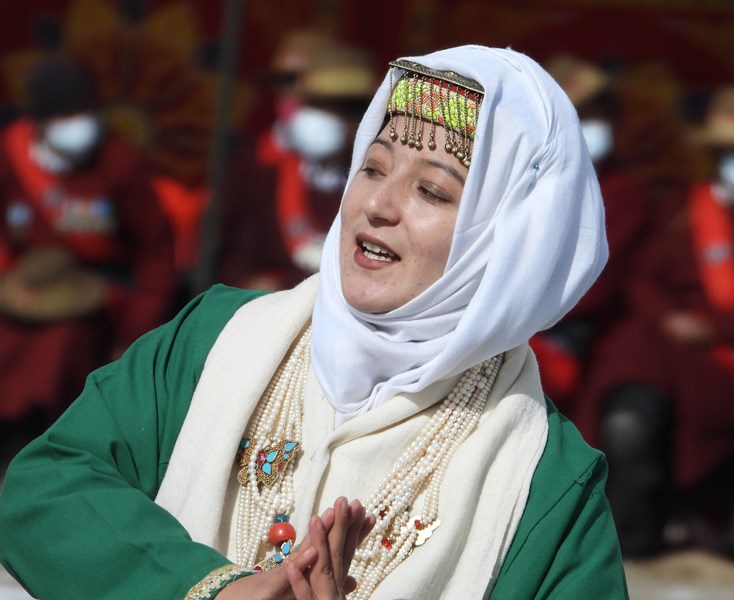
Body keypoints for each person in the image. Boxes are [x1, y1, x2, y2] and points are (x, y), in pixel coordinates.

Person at [0, 45, 627, 599]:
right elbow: (45, 486)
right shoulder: (215, 339)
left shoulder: (544, 480)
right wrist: (207, 589)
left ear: (511, 239)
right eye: (373, 167)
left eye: (432, 192)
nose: (377, 206)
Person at [575, 84, 734, 559]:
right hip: (666, 344)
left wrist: (719, 331)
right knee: (627, 419)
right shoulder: (681, 209)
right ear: (717, 155)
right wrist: (672, 321)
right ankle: (630, 540)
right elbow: (640, 278)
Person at [0, 56, 177, 460]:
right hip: (22, 287)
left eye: (85, 111)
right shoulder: (10, 155)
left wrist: (133, 337)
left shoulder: (120, 162)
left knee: (60, 349)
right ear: (41, 120)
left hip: (94, 296)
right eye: (66, 115)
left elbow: (155, 253)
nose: (78, 123)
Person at [530, 55, 652, 414]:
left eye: (598, 115)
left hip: (574, 337)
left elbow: (594, 285)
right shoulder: (525, 183)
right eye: (579, 116)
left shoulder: (623, 194)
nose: (590, 126)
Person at [220, 42, 376, 291]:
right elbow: (233, 249)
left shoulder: (372, 188)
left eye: (333, 108)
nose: (318, 116)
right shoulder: (265, 172)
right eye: (313, 105)